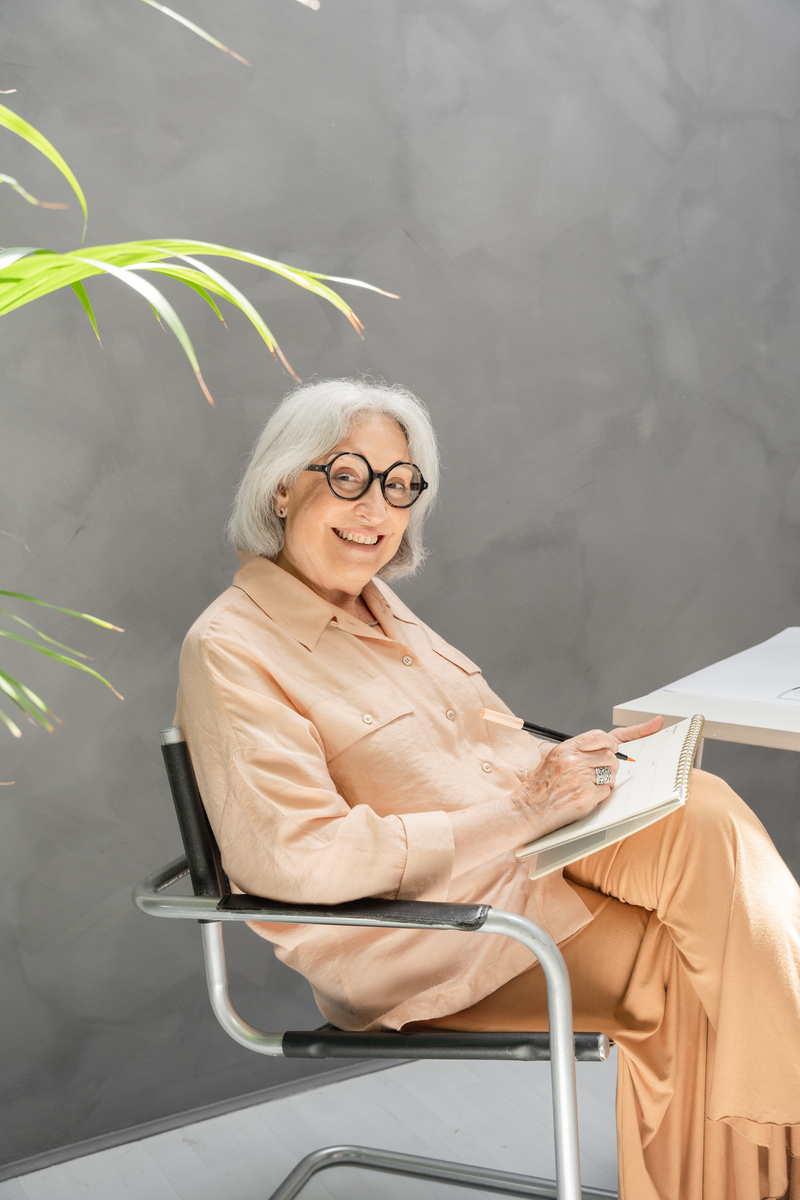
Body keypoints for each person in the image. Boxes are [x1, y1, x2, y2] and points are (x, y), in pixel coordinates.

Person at [176, 377, 800, 1200]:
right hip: (429, 933)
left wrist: (574, 762)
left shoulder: (379, 608)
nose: (376, 509)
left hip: (528, 858)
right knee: (692, 966)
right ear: (283, 484)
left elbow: (475, 749)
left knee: (706, 808)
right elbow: (303, 861)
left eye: (399, 486)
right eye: (349, 476)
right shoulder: (231, 650)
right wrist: (521, 810)